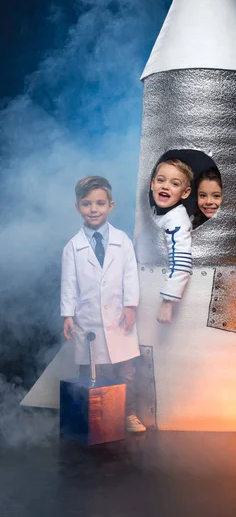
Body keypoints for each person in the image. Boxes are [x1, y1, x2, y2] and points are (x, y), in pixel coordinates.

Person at [61, 175, 146, 433]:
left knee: (126, 370)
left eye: (100, 203)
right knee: (92, 370)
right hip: (87, 321)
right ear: (77, 207)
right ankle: (96, 418)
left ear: (111, 205)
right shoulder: (72, 248)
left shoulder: (123, 241)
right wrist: (67, 315)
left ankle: (128, 415)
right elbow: (69, 284)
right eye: (87, 204)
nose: (93, 209)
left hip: (120, 318)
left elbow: (131, 276)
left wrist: (130, 307)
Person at [151, 158, 193, 325]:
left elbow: (182, 261)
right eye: (161, 180)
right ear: (152, 184)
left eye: (174, 184)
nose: (165, 186)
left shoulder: (176, 219)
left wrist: (168, 302)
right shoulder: (155, 212)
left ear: (185, 193)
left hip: (164, 296)